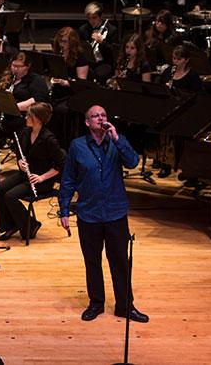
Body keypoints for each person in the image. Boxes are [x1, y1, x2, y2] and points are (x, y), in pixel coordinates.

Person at [58, 105, 149, 324]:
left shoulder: (117, 142)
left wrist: (117, 138)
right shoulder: (77, 146)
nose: (101, 118)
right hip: (89, 213)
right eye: (95, 116)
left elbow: (133, 162)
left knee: (120, 261)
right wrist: (64, 209)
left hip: (115, 212)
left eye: (103, 115)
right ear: (87, 123)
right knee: (92, 261)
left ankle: (125, 306)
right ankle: (96, 303)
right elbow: (68, 178)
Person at [0, 102, 64, 241]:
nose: (26, 118)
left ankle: (30, 225)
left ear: (37, 119)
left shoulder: (48, 139)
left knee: (10, 196)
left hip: (41, 180)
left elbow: (61, 164)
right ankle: (10, 226)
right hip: (25, 174)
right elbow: (19, 152)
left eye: (29, 116)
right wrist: (20, 162)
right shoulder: (25, 132)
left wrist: (42, 177)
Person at [0, 52, 51, 140]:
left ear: (28, 66)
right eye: (13, 65)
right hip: (2, 115)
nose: (15, 69)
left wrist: (12, 107)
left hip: (22, 117)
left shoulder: (35, 80)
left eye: (19, 66)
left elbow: (38, 100)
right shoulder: (6, 77)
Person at [78, 2, 118, 78]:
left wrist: (102, 42)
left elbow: (114, 53)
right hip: (88, 62)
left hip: (104, 63)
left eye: (94, 18)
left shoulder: (112, 30)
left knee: (97, 73)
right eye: (89, 18)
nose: (91, 21)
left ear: (101, 16)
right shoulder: (83, 29)